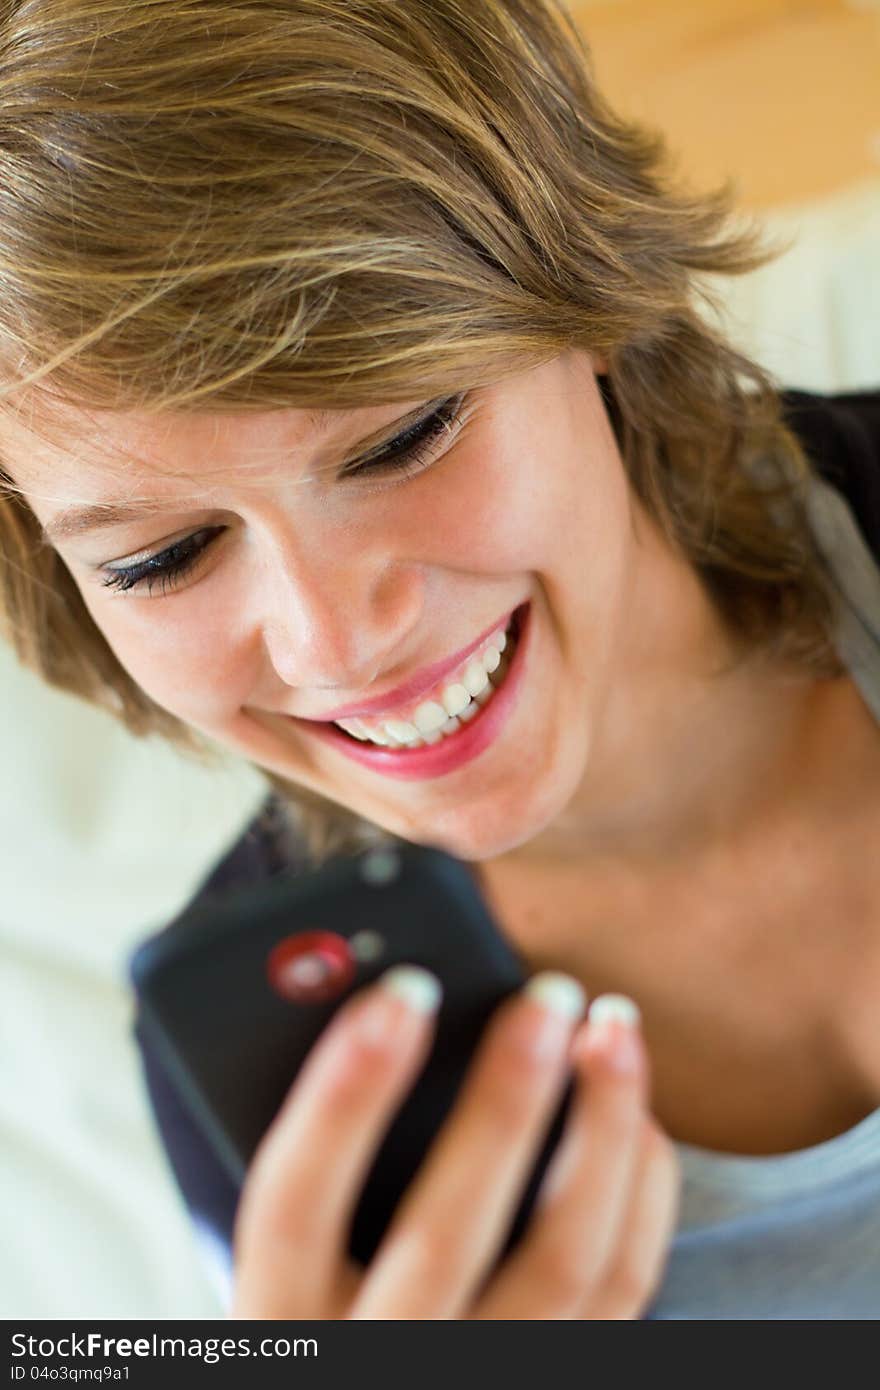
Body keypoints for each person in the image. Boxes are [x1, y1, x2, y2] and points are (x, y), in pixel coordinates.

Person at [0, 0, 877, 1320]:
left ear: (577, 291)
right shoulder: (264, 1077)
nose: (335, 640)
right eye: (162, 557)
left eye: (402, 439)